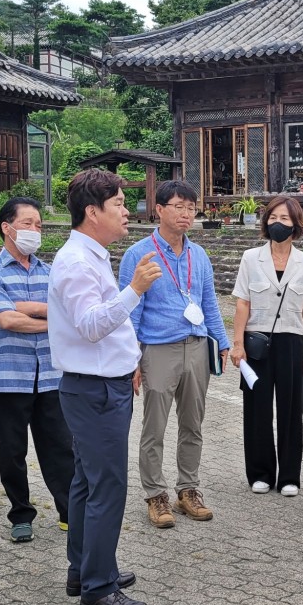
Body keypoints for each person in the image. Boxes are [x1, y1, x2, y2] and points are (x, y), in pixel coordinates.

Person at [48, 169, 162, 605]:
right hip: (94, 390)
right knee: (107, 485)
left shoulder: (92, 255)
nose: (127, 213)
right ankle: (98, 587)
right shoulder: (76, 262)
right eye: (118, 204)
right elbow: (92, 326)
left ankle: (85, 567)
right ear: (92, 212)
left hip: (102, 384)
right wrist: (135, 289)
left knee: (86, 481)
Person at [118, 180, 230, 529]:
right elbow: (130, 309)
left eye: (191, 208)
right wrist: (131, 357)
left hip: (196, 347)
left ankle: (188, 489)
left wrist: (221, 341)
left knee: (193, 425)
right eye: (178, 206)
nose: (186, 214)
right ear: (160, 209)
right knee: (154, 427)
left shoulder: (199, 255)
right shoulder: (139, 253)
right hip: (157, 349)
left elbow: (208, 302)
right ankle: (155, 495)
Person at [0, 197, 72, 543]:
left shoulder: (51, 272)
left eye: (39, 225)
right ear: (7, 227)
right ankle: (21, 514)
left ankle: (68, 511)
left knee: (60, 447)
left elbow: (67, 309)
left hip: (51, 374)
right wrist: (52, 318)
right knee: (12, 451)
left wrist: (25, 307)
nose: (35, 231)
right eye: (28, 223)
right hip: (9, 375)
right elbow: (6, 319)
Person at [229, 196, 303, 497]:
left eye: (284, 218)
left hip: (291, 341)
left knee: (291, 409)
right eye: (272, 217)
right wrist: (237, 343)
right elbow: (243, 302)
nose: (277, 223)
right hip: (257, 343)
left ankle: (289, 477)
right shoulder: (250, 258)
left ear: (296, 223)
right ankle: (260, 473)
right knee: (256, 409)